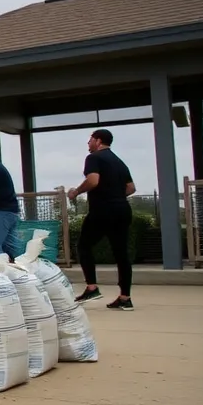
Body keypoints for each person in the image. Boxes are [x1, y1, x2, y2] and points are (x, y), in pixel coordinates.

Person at [67, 129, 136, 311]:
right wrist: (114, 194)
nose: (88, 143)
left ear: (98, 141)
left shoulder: (94, 158)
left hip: (103, 210)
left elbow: (93, 181)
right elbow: (131, 188)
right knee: (121, 254)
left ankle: (92, 287)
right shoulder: (119, 162)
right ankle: (125, 298)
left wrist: (75, 192)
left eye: (90, 140)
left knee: (83, 246)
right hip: (122, 209)